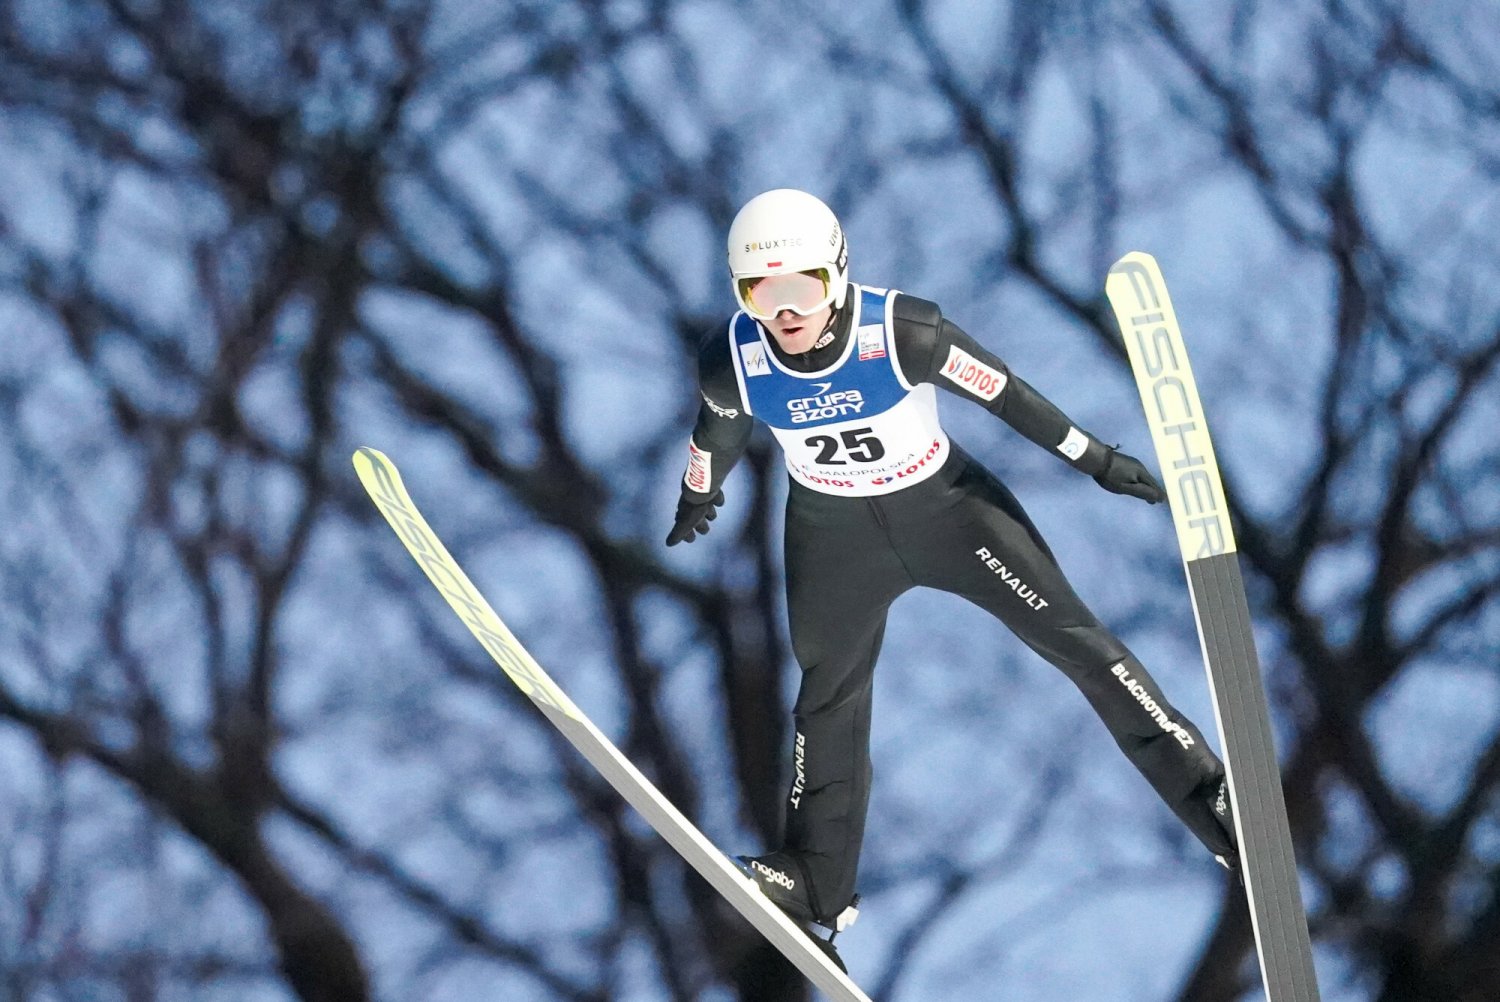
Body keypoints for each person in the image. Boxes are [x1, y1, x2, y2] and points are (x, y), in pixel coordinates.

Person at [665, 188, 1237, 952]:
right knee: (826, 699)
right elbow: (719, 429)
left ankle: (1211, 796)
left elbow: (1006, 394)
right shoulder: (732, 358)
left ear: (837, 275)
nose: (786, 312)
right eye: (760, 293)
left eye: (801, 287)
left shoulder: (904, 332)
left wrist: (1094, 459)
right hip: (833, 536)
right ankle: (816, 882)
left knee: (1078, 641)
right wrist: (699, 490)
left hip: (949, 514)